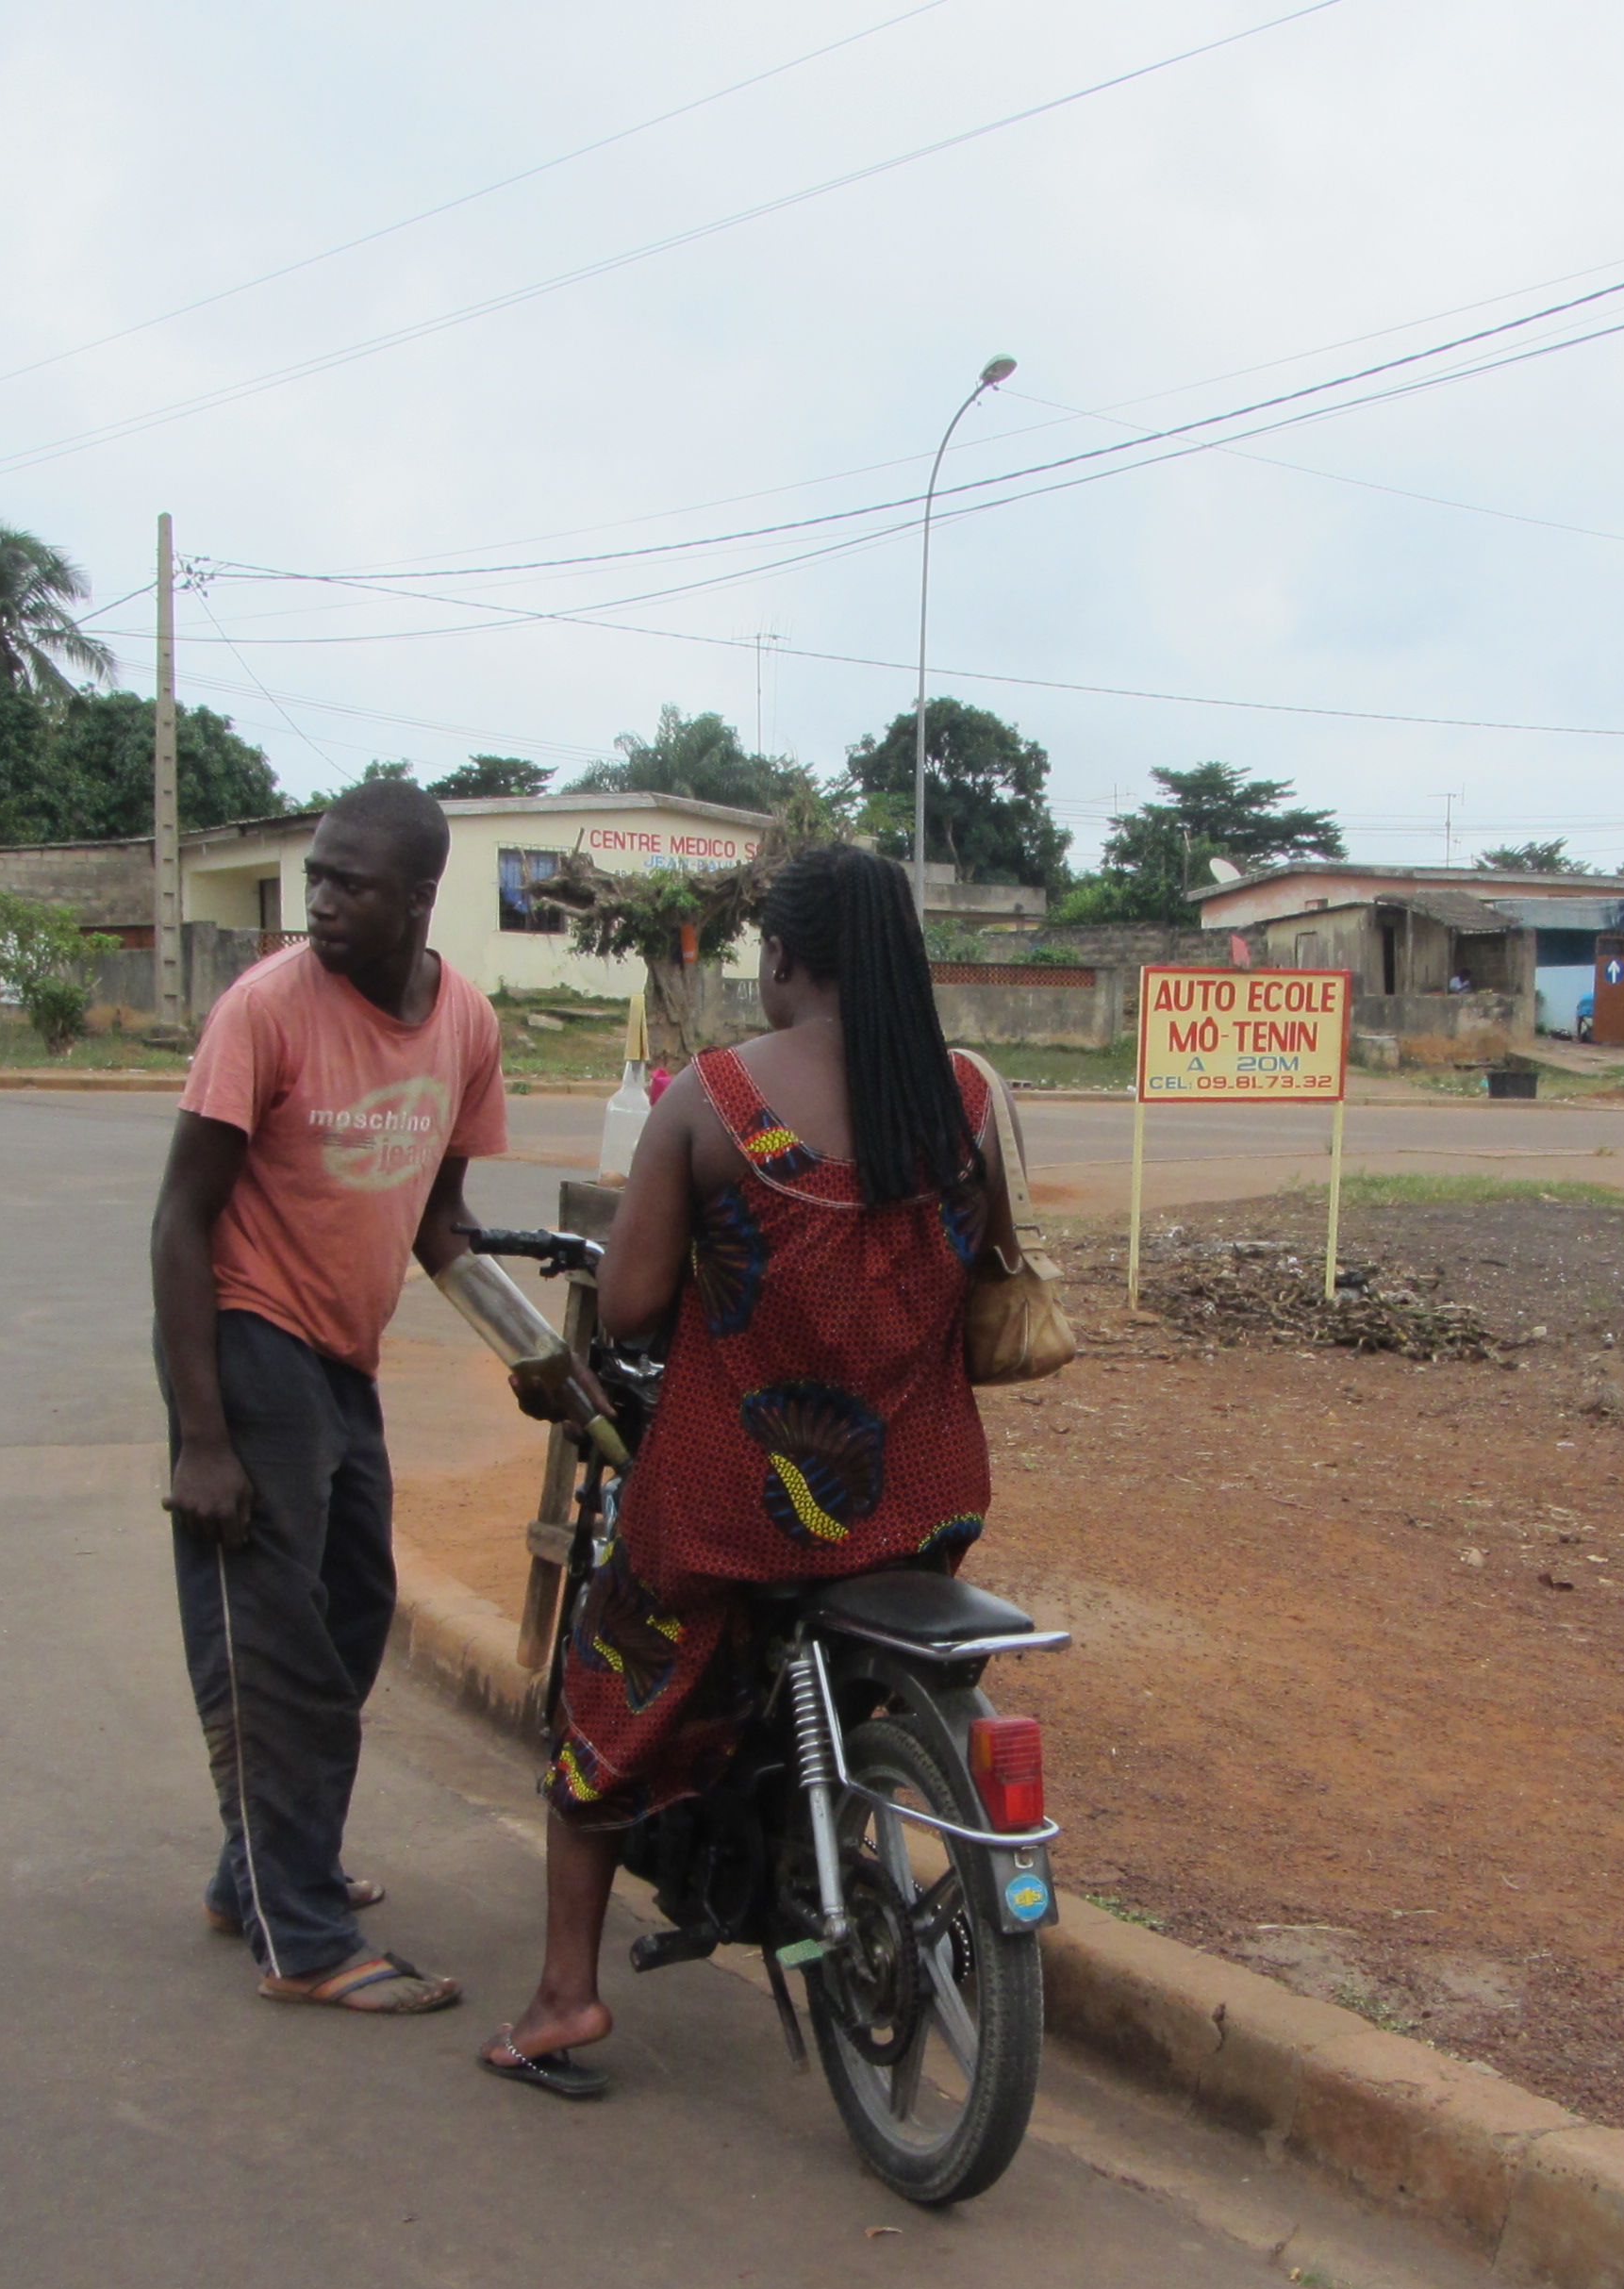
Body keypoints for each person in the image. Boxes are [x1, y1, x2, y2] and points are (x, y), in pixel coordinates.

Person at [485, 844, 1015, 2099]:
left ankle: (564, 1999)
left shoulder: (714, 1101)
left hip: (735, 1517)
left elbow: (624, 1305)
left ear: (778, 957)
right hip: (916, 1514)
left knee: (602, 1706)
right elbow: (977, 1282)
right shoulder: (966, 1105)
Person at [150, 776, 510, 2018]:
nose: (322, 904)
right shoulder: (265, 1009)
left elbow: (443, 1224)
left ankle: (254, 1868)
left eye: (350, 884)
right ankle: (300, 1937)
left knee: (351, 1612)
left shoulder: (463, 1023)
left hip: (344, 1362)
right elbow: (179, 1219)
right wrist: (202, 1438)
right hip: (251, 1343)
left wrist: (536, 1352)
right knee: (275, 1645)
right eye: (317, 876)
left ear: (419, 897)